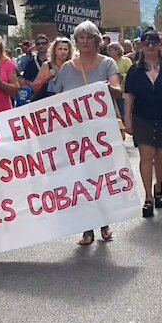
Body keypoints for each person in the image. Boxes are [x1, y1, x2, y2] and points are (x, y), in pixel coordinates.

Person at [49, 21, 122, 246]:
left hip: (100, 134)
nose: (85, 41)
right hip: (74, 135)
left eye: (89, 37)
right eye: (81, 38)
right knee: (80, 180)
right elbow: (55, 99)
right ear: (76, 41)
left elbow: (118, 92)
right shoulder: (67, 68)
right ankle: (86, 228)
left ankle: (104, 223)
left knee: (100, 178)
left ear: (97, 41)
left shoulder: (108, 64)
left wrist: (105, 88)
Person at [122, 31, 162, 218]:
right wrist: (128, 119)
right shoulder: (135, 70)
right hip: (142, 117)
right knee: (146, 156)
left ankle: (159, 187)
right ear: (141, 45)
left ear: (160, 45)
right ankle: (148, 197)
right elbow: (129, 97)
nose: (150, 46)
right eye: (147, 43)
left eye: (154, 43)